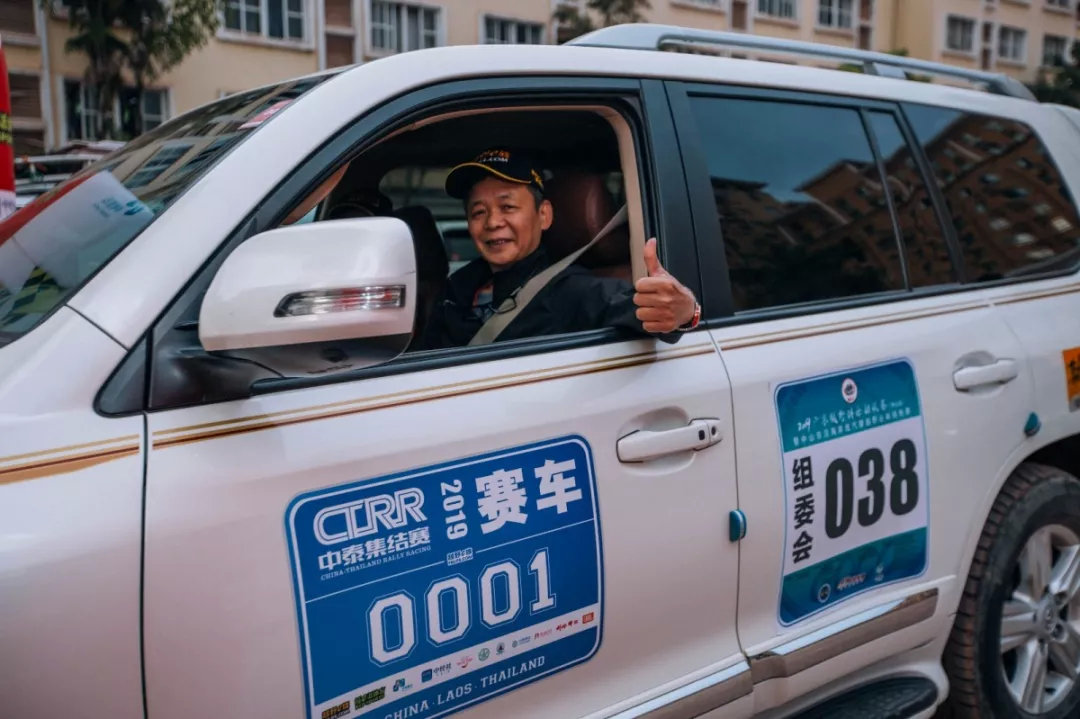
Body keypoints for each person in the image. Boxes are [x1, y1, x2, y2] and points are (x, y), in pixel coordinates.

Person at [417, 149, 700, 350]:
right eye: (478, 212)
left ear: (544, 216)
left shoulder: (570, 290)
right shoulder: (457, 288)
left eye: (508, 207)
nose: (492, 222)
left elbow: (643, 310)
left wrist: (685, 312)